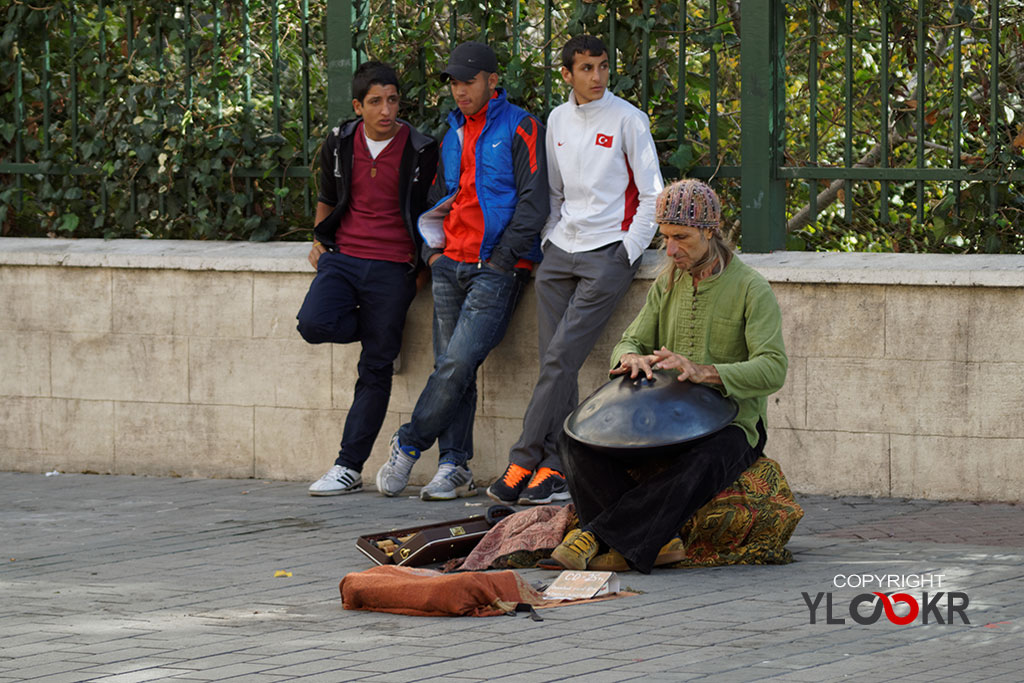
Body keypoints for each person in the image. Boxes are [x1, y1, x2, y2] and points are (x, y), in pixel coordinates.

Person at [549, 179, 788, 573]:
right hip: (666, 420)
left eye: (682, 237)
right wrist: (630, 359)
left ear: (710, 232)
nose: (671, 249)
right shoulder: (668, 282)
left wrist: (705, 372)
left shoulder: (751, 288)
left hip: (732, 421)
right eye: (665, 238)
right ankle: (660, 541)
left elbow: (773, 367)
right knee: (573, 440)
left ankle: (595, 535)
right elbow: (629, 340)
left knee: (703, 461)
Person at [487, 35, 664, 506]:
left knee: (559, 358)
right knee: (556, 362)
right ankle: (556, 467)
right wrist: (549, 237)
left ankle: (525, 458)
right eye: (586, 68)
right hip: (560, 252)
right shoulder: (558, 119)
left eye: (603, 67)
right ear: (567, 74)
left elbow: (653, 195)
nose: (598, 77)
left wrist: (627, 251)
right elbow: (557, 190)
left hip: (608, 253)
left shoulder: (629, 119)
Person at [374, 41, 549, 501]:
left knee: (456, 361)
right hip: (451, 262)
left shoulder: (522, 126)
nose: (459, 90)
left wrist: (504, 258)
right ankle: (454, 465)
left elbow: (534, 202)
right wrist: (434, 254)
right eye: (453, 82)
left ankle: (409, 443)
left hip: (496, 267)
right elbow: (439, 194)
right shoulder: (452, 133)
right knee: (455, 366)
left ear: (493, 81)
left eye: (467, 81)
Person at [298, 61, 439, 496]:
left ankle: (347, 466)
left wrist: (415, 278)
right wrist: (320, 241)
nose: (386, 110)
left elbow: (436, 211)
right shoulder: (339, 143)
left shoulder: (422, 149)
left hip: (394, 266)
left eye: (392, 99)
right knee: (313, 324)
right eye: (375, 102)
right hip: (343, 258)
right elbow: (327, 197)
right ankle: (380, 326)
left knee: (375, 368)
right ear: (359, 106)